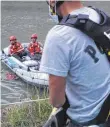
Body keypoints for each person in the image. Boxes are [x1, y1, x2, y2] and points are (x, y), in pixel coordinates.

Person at [40, 1, 110, 127]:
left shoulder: (58, 36)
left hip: (88, 120)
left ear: (52, 1)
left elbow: (56, 101)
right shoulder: (99, 16)